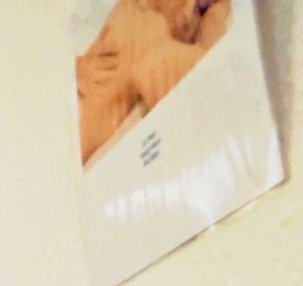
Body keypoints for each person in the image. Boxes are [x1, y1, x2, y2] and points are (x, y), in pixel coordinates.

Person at [77, 0, 231, 166]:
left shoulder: (125, 16)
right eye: (200, 8)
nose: (188, 17)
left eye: (201, 11)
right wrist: (216, 18)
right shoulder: (145, 28)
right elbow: (207, 85)